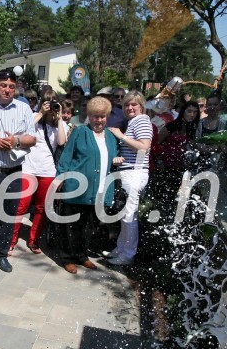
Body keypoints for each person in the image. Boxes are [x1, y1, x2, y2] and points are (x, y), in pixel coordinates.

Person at [53, 96, 120, 274]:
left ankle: (82, 256)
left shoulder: (111, 137)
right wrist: (60, 177)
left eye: (102, 116)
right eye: (95, 116)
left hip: (98, 190)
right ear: (89, 116)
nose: (99, 120)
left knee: (88, 227)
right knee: (70, 225)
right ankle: (67, 258)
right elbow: (67, 155)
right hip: (77, 187)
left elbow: (111, 157)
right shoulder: (80, 132)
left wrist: (116, 160)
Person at [0, 69, 36, 271]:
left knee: (8, 214)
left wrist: (16, 141)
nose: (7, 90)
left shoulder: (23, 108)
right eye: (3, 85)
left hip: (13, 169)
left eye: (11, 86)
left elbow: (32, 138)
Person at [11, 91, 67, 254]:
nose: (51, 105)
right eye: (48, 102)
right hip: (28, 168)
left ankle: (33, 240)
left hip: (47, 170)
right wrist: (41, 112)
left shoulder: (59, 123)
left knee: (42, 208)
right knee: (21, 206)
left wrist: (60, 117)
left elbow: (62, 141)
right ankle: (11, 240)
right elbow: (22, 131)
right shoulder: (35, 116)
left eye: (54, 102)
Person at [106, 91, 153, 266]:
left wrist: (121, 136)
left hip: (135, 173)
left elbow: (143, 148)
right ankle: (120, 249)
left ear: (141, 106)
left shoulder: (142, 121)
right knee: (125, 215)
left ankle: (128, 255)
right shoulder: (133, 122)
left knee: (129, 216)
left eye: (134, 104)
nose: (130, 107)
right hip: (129, 171)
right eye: (127, 104)